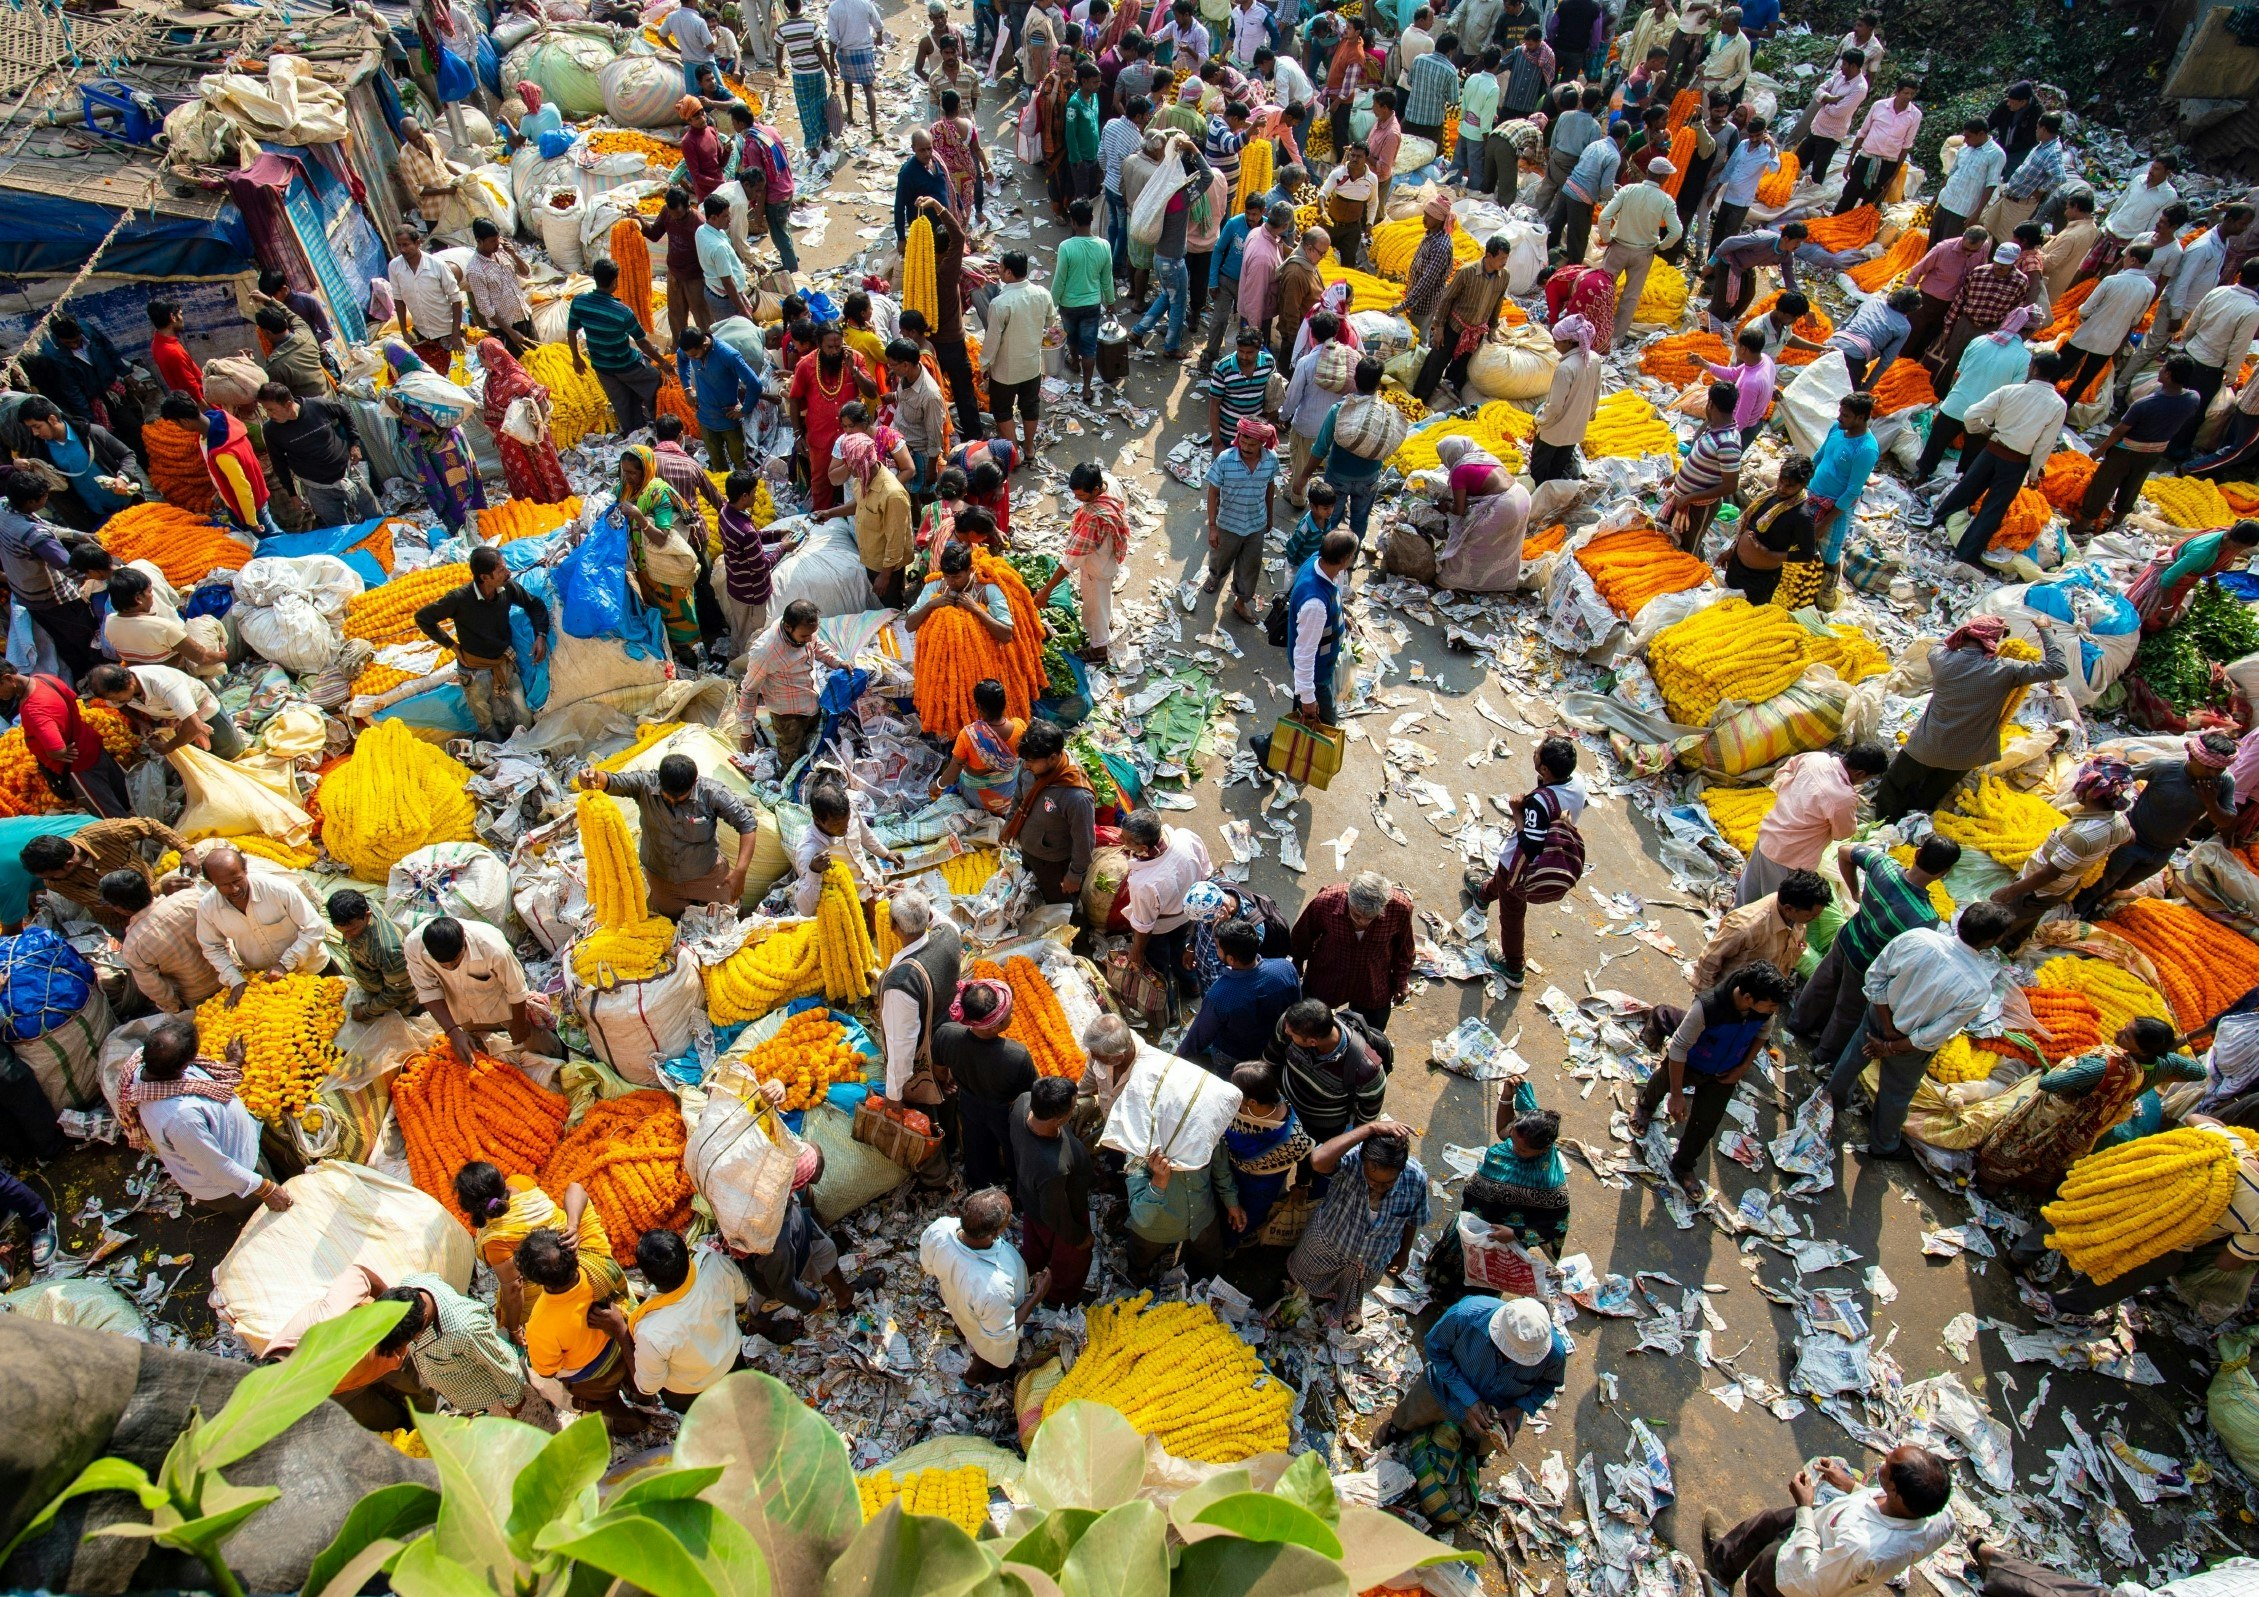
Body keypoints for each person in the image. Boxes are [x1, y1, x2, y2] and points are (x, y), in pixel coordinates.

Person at [1827, 903, 2013, 1160]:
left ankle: (1832, 1101)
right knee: (1897, 1092)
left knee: (1854, 1056)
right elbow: (1933, 1034)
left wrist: (1887, 1028)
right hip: (1910, 1046)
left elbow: (1875, 979)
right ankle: (1883, 1145)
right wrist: (1892, 1046)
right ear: (1992, 940)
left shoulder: (1917, 937)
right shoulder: (1978, 988)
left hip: (1879, 1016)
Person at [1872, 617, 2067, 820]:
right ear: (1992, 641)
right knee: (1930, 793)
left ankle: (1885, 823)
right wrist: (2044, 629)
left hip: (1928, 745)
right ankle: (1912, 823)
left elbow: (1942, 643)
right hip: (1966, 755)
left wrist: (1967, 631)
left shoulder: (1940, 658)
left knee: (1894, 783)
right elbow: (2058, 668)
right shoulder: (2006, 669)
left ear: (1965, 634)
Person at [1976, 1016, 2194, 1197]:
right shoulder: (2158, 1065)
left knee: (2021, 1143)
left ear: (2143, 1049)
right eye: (2125, 1026)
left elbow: (2049, 1084)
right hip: (2087, 1124)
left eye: (2127, 1034)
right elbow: (2197, 1072)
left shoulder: (2105, 1065)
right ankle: (2024, 1187)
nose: (2119, 1031)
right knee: (2049, 1155)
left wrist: (2067, 1066)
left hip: (2060, 1114)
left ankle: (1990, 1180)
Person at [1700, 1449, 1956, 1597]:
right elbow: (1888, 1507)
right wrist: (1850, 1485)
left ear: (1895, 1491)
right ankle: (1724, 1563)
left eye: (1888, 1466)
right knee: (1769, 1521)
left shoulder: (1861, 1549)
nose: (1884, 1459)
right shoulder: (1941, 1517)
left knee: (1765, 1570)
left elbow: (1813, 1577)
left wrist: (1804, 1506)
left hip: (1807, 1564)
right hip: (1825, 1522)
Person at [1794, 838, 1958, 1062]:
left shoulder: (1883, 865)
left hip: (1848, 937)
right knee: (1848, 1010)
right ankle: (1824, 1055)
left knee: (1823, 983)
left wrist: (1855, 891)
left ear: (1918, 853)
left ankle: (1798, 1022)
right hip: (1868, 964)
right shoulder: (1925, 917)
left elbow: (1844, 852)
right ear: (1943, 873)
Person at [1631, 962, 1793, 1185]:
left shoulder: (1763, 1013)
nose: (1773, 1012)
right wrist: (1677, 1095)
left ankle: (1683, 1165)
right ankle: (1645, 1106)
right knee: (1663, 1082)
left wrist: (1742, 1068)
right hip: (1691, 1062)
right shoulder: (1707, 1007)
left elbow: (1762, 1035)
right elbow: (1678, 1048)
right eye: (1771, 1006)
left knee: (1706, 1123)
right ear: (1748, 999)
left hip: (1725, 1073)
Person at [119, 1020, 291, 1218]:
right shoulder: (180, 1118)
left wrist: (232, 1064)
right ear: (183, 1065)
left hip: (239, 1153)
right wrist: (266, 1189)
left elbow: (196, 1079)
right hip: (231, 1185)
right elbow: (218, 1168)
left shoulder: (150, 1064)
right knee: (267, 1217)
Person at [1919, 351, 2070, 570]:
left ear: (2034, 369)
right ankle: (1966, 553)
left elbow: (1971, 413)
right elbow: (2044, 445)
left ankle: (1935, 521)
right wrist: (2035, 473)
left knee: (1966, 489)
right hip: (2017, 462)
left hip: (1992, 450)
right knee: (1993, 508)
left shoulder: (2010, 391)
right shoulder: (2058, 405)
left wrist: (1982, 431)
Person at [2071, 733, 2239, 918]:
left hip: (2164, 850)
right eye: (2209, 768)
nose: (2214, 774)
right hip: (2132, 839)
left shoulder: (2224, 782)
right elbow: (2120, 778)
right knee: (2102, 881)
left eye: (2220, 769)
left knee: (2121, 885)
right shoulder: (2164, 767)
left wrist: (2210, 802)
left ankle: (2089, 908)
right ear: (2191, 756)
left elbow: (2225, 820)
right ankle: (2075, 912)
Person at [579, 755, 763, 917]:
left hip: (706, 875)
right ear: (660, 781)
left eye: (680, 799)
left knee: (730, 912)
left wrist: (740, 871)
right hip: (662, 879)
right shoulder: (644, 784)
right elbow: (610, 781)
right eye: (667, 798)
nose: (673, 802)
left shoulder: (712, 793)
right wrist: (593, 777)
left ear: (694, 783)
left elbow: (747, 824)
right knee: (669, 923)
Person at [1286, 1120, 1427, 1325]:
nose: (1378, 1188)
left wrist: (1403, 1252)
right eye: (1372, 1180)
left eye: (1388, 1183)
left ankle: (1345, 1304)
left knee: (1351, 1291)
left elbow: (1413, 1218)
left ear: (1401, 1169)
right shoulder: (1351, 1161)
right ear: (1363, 1163)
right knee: (1302, 1282)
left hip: (1370, 1260)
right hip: (1325, 1247)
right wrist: (1370, 1128)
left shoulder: (1416, 1178)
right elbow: (1317, 1160)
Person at [1475, 736, 1586, 989]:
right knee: (1502, 885)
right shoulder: (1577, 783)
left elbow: (1529, 844)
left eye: (1537, 754)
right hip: (1552, 852)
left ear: (1545, 769)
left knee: (1512, 911)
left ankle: (1513, 967)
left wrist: (1516, 810)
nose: (1533, 754)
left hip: (1523, 866)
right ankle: (1482, 894)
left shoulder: (1539, 804)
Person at [516, 1222, 637, 1430]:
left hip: (595, 1378)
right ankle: (642, 1398)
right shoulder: (598, 1266)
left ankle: (633, 1422)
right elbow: (623, 1294)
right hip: (622, 1350)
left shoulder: (540, 1324)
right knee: (636, 1382)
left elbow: (546, 1371)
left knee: (604, 1402)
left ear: (533, 1279)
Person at [2069, 355, 2202, 538]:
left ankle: (2083, 524)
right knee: (2133, 486)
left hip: (2126, 452)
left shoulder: (2144, 404)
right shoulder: (2193, 398)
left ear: (2169, 374)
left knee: (2102, 486)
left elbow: (2119, 431)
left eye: (2163, 369)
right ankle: (2115, 523)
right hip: (2154, 453)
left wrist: (2099, 450)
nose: (2160, 371)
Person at [920, 1189, 1044, 1381]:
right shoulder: (993, 1286)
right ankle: (974, 1375)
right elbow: (1001, 1334)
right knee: (986, 1353)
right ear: (995, 1232)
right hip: (987, 1332)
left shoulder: (939, 1229)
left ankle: (962, 1330)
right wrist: (1037, 1296)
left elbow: (928, 1266)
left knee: (965, 1319)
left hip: (957, 1302)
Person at [1738, 747, 1885, 906]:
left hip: (1768, 834)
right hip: (1790, 856)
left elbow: (1784, 771)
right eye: (1868, 778)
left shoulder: (1816, 758)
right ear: (1860, 773)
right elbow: (1842, 834)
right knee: (1775, 908)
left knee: (1747, 895)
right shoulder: (1844, 797)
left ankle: (1731, 925)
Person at [406, 915, 561, 1065]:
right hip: (461, 1008)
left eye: (454, 962)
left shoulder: (492, 948)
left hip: (500, 1002)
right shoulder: (414, 947)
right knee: (474, 1050)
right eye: (442, 966)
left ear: (464, 944)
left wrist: (519, 1023)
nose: (450, 968)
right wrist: (453, 1031)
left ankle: (562, 1057)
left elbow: (517, 989)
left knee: (541, 1044)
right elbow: (428, 990)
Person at [367, 1276, 528, 1418]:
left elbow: (504, 1369)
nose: (402, 1353)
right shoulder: (412, 1284)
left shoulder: (465, 1330)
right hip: (473, 1393)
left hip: (498, 1396)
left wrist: (517, 1415)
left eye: (405, 1344)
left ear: (423, 1320)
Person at [626, 1229, 749, 1410]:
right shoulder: (715, 1264)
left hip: (691, 1396)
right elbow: (743, 1296)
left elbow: (648, 1387)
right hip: (732, 1365)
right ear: (686, 1250)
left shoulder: (651, 1331)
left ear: (644, 1277)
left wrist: (619, 1332)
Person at [0, 473, 104, 682]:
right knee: (84, 637)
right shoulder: (33, 535)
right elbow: (69, 567)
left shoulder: (3, 507)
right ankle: (96, 674)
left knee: (62, 639)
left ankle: (81, 674)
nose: (47, 499)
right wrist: (102, 573)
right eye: (44, 496)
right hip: (54, 599)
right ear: (30, 501)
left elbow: (43, 526)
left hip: (26, 594)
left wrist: (77, 535)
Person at [193, 847, 324, 1004]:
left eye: (237, 880)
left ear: (246, 869)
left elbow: (314, 927)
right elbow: (212, 948)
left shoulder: (277, 888)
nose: (234, 889)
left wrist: (285, 964)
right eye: (224, 885)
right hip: (265, 982)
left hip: (312, 968)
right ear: (211, 883)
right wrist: (235, 980)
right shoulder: (208, 907)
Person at [1290, 871, 1415, 1034]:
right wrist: (1297, 963)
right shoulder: (1326, 902)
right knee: (1308, 1024)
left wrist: (1401, 981)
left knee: (1371, 1033)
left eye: (1370, 917)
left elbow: (1404, 948)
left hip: (1373, 981)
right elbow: (1303, 935)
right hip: (1327, 974)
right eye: (1357, 914)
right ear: (1348, 897)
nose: (1362, 921)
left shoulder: (1400, 908)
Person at [14, 815, 180, 936]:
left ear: (68, 865)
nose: (47, 881)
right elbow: (106, 901)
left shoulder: (102, 833)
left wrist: (185, 849)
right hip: (124, 921)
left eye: (51, 876)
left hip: (157, 889)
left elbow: (150, 826)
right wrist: (161, 889)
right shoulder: (56, 883)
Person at [381, 346, 485, 539]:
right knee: (467, 482)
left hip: (438, 452)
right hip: (455, 440)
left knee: (453, 492)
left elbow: (427, 426)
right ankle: (481, 522)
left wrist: (398, 411)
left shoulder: (407, 389)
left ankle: (466, 530)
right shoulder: (429, 376)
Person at [1120, 807, 1214, 1015]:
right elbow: (1207, 872)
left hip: (1161, 928)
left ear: (1143, 846)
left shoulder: (1144, 883)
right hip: (1188, 915)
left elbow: (1144, 926)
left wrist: (1136, 953)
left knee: (1159, 964)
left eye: (1125, 839)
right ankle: (1192, 984)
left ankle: (1168, 1007)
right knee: (1181, 947)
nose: (1120, 839)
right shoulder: (1185, 837)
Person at [1916, 312, 2028, 485]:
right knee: (1972, 456)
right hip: (1985, 415)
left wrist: (1950, 398)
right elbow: (2012, 395)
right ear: (2028, 332)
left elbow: (1957, 374)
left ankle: (1921, 476)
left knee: (1935, 445)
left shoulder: (1980, 341)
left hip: (1956, 404)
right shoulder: (2024, 358)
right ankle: (1959, 486)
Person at [1010, 1075, 1094, 1304]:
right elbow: (1055, 1214)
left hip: (1029, 1197)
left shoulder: (1023, 1103)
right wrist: (1079, 1238)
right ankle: (1057, 1297)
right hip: (1059, 1216)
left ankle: (1031, 1272)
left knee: (1035, 1246)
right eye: (1073, 1107)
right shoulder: (1052, 1166)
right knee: (1070, 1262)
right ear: (1059, 1119)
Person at [568, 258, 672, 436]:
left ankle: (632, 431)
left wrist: (576, 357)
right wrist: (662, 362)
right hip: (626, 364)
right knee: (655, 380)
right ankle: (660, 422)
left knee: (621, 400)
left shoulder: (579, 302)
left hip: (601, 365)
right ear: (615, 282)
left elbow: (571, 331)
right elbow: (642, 342)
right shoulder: (623, 312)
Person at [1265, 995, 1391, 1142]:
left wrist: (1350, 1141)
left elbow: (1368, 1114)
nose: (1286, 1032)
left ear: (1312, 1042)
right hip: (1285, 1109)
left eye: (1292, 1036)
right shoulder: (1290, 1023)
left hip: (1323, 1129)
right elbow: (1270, 1059)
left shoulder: (1366, 1068)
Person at [738, 600, 847, 767]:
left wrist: (838, 662)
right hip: (788, 717)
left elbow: (817, 646)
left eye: (812, 633)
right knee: (790, 757)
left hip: (812, 702)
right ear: (788, 627)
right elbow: (749, 690)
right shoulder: (766, 651)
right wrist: (746, 733)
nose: (809, 639)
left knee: (813, 746)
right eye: (804, 636)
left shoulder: (806, 630)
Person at [1180, 920, 1301, 1070]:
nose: (1216, 949)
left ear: (1231, 959)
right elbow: (1295, 1008)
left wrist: (1181, 1053)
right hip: (1273, 1044)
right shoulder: (1285, 968)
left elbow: (1200, 1033)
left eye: (1217, 947)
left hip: (1233, 1054)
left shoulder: (1220, 994)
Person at [255, 384, 380, 528]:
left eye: (271, 409)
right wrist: (293, 495)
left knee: (376, 518)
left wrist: (355, 444)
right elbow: (279, 463)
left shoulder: (317, 406)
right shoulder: (271, 430)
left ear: (288, 404)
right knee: (340, 532)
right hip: (318, 490)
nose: (269, 415)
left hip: (348, 475)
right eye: (266, 410)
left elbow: (344, 412)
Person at [103, 869, 221, 1015]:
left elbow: (155, 989)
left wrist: (175, 1008)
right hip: (233, 971)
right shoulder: (190, 898)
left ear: (120, 909)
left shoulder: (134, 945)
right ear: (147, 888)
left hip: (201, 996)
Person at [1596, 158, 1684, 344]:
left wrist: (1608, 238)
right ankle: (1615, 339)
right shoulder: (1666, 200)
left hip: (1618, 247)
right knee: (1630, 297)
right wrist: (1661, 246)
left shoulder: (1628, 190)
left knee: (1603, 289)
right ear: (1662, 178)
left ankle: (1595, 329)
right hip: (1643, 254)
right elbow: (1676, 232)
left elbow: (1604, 216)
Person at [1429, 433, 1530, 593]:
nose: (1442, 461)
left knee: (1469, 541)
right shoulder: (1482, 457)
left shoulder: (1459, 471)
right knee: (1502, 544)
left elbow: (1459, 510)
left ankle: (1449, 581)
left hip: (1505, 505)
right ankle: (1498, 582)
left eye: (1442, 457)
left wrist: (1446, 506)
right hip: (1521, 495)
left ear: (1451, 454)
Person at [2056, 252, 2158, 405]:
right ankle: (2064, 408)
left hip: (2088, 332)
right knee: (2084, 380)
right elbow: (2136, 319)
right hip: (2111, 341)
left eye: (2125, 257)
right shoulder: (2150, 287)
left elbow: (2085, 310)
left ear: (2133, 259)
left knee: (2059, 368)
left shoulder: (2111, 280)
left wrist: (2086, 318)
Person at [2130, 519, 2259, 634]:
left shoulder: (2226, 537)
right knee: (2153, 617)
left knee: (2157, 618)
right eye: (2239, 547)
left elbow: (2212, 564)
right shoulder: (2202, 551)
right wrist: (2166, 608)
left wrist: (2213, 583)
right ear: (2233, 539)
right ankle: (2141, 635)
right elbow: (2168, 577)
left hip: (2180, 578)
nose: (2239, 551)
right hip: (2168, 582)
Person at [1660, 382, 1743, 552]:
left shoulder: (1728, 443)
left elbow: (1730, 486)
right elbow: (1700, 461)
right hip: (1684, 498)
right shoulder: (1713, 427)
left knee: (1688, 548)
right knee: (1670, 541)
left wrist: (1690, 498)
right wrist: (1678, 476)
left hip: (1699, 507)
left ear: (1710, 404)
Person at [1722, 454, 1815, 604]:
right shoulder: (1769, 496)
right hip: (1736, 568)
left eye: (1789, 486)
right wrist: (1731, 550)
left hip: (1759, 581)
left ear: (1803, 485)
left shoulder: (1802, 515)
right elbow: (1749, 526)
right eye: (1781, 481)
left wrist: (1771, 555)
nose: (1782, 488)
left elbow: (1807, 554)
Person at [1526, 316, 1603, 485]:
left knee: (1537, 474)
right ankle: (1551, 495)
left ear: (1569, 342)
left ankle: (1538, 499)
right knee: (1556, 470)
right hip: (1575, 429)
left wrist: (1539, 421)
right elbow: (1596, 392)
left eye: (1557, 341)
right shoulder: (1595, 359)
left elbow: (1554, 406)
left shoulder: (1566, 368)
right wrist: (1590, 414)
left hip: (1552, 431)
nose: (1554, 345)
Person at [325, 888, 418, 1023]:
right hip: (375, 986)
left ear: (368, 914)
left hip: (400, 1003)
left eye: (353, 930)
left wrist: (366, 1011)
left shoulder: (388, 950)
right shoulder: (361, 903)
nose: (347, 937)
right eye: (342, 931)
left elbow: (397, 991)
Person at [386, 228, 466, 374]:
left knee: (454, 375)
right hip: (422, 332)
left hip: (446, 331)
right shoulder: (394, 266)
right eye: (399, 245)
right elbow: (398, 299)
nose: (402, 249)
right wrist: (404, 332)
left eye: (406, 244)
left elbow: (455, 299)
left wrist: (455, 335)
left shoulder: (437, 265)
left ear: (418, 243)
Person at [1837, 77, 1921, 215]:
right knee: (1849, 195)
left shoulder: (1915, 115)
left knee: (1871, 203)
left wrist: (1893, 176)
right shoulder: (1879, 106)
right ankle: (1834, 225)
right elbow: (1862, 133)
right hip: (1866, 158)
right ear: (1897, 91)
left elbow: (1906, 146)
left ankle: (1856, 230)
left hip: (1888, 163)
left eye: (1912, 94)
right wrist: (1849, 162)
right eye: (1906, 93)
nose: (1908, 97)